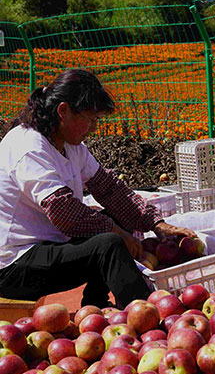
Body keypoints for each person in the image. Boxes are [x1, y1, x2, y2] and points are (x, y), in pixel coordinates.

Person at [0, 69, 195, 307]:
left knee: (117, 218)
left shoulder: (70, 145)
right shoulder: (29, 146)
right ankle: (144, 315)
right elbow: (63, 212)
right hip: (15, 264)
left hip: (50, 247)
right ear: (63, 111)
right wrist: (117, 232)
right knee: (109, 244)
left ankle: (95, 305)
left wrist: (156, 224)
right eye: (91, 119)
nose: (94, 127)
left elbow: (109, 189)